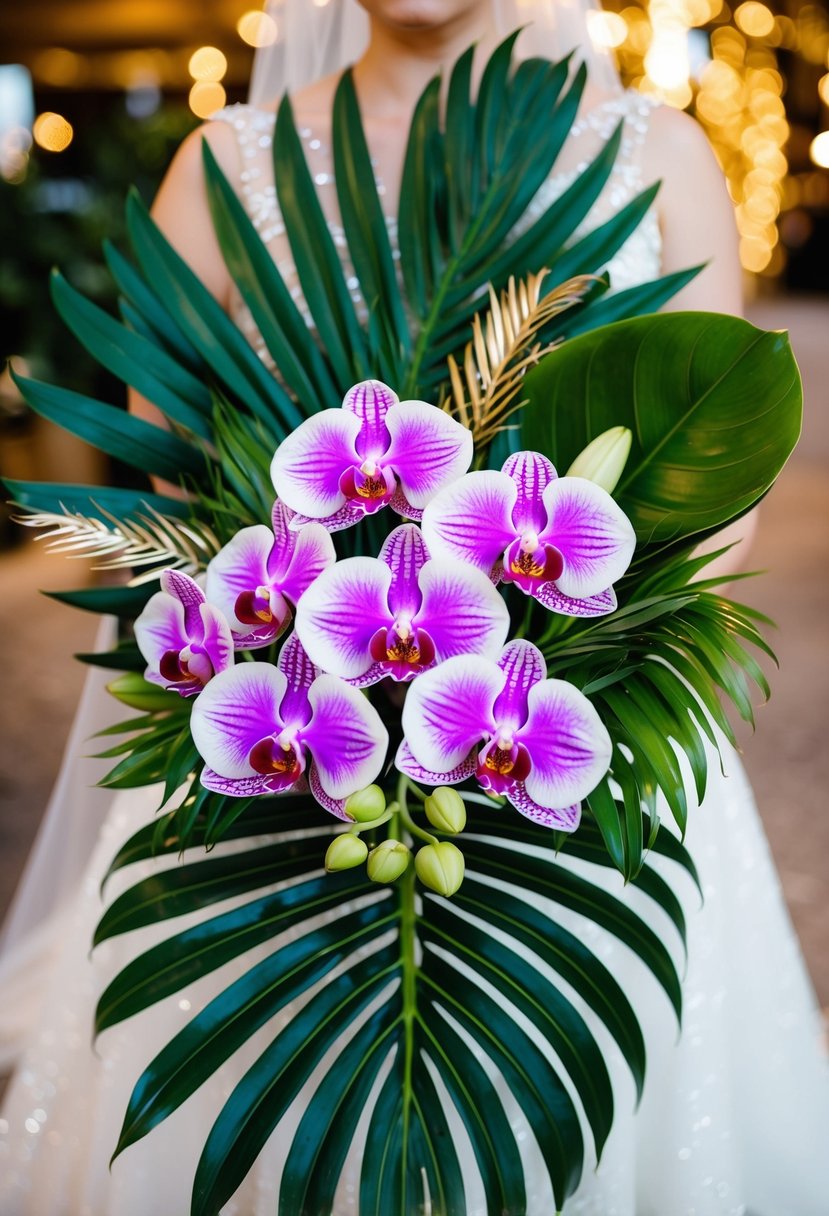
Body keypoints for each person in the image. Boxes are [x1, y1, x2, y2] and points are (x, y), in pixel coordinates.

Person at [0, 1, 826, 1212]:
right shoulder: (222, 170)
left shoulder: (657, 155)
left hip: (561, 769)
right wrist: (327, 677)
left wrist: (550, 670)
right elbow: (183, 511)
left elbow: (712, 496)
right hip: (286, 780)